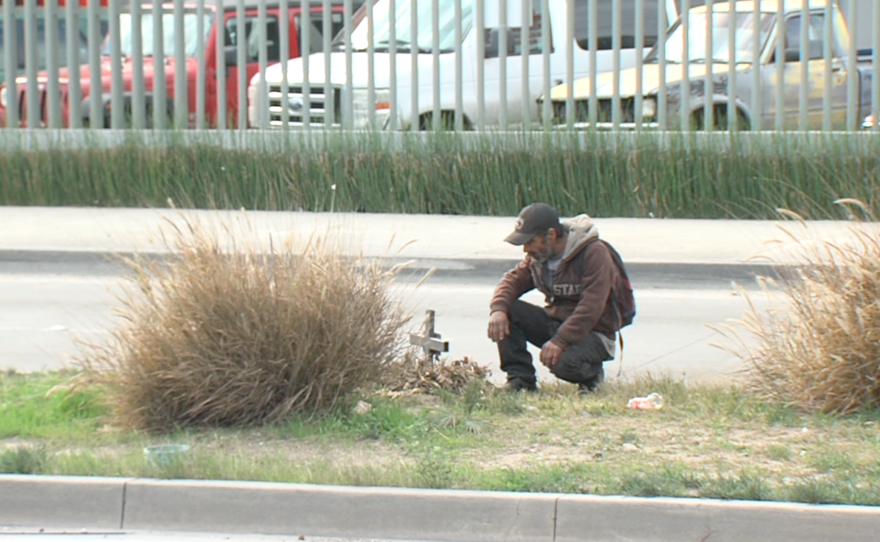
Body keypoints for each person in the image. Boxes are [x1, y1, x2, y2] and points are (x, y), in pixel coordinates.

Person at [487, 202, 623, 393]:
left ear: (550, 235)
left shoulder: (594, 252)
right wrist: (498, 309)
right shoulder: (538, 257)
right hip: (557, 323)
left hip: (595, 333)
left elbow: (591, 308)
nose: (526, 249)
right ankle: (521, 382)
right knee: (509, 311)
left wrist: (560, 341)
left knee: (562, 363)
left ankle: (592, 377)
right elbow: (512, 281)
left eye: (530, 241)